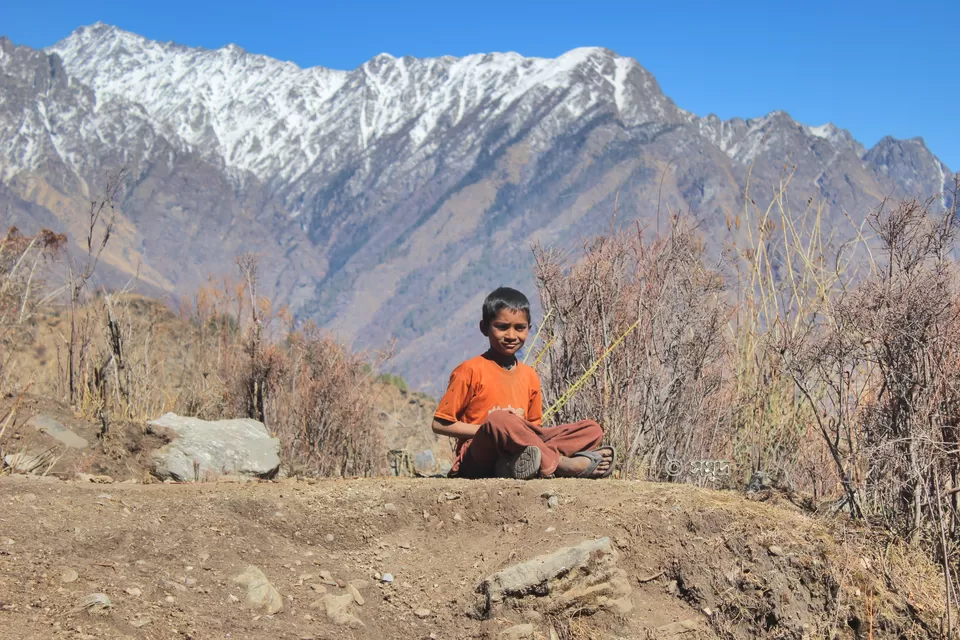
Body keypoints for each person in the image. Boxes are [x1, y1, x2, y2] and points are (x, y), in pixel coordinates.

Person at [432, 287, 615, 479]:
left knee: (591, 429)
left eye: (520, 328)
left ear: (529, 328)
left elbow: (533, 430)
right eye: (502, 327)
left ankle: (515, 466)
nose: (511, 335)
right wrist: (493, 430)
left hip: (518, 449)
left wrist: (513, 434)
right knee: (499, 419)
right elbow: (440, 424)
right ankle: (560, 463)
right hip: (477, 458)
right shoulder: (469, 370)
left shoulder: (529, 376)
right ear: (484, 327)